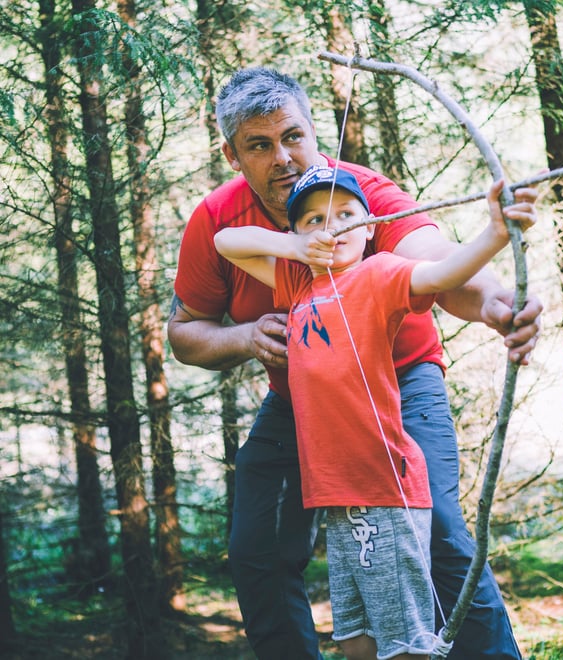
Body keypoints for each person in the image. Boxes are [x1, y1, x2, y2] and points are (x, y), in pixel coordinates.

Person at [168, 67, 540, 659]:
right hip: (302, 398)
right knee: (256, 547)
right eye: (259, 145)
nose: (283, 157)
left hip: (400, 383)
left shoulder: (359, 196)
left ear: (315, 130)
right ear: (231, 153)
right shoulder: (220, 216)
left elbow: (438, 263)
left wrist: (497, 302)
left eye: (293, 136)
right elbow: (184, 334)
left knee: (439, 530)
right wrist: (245, 337)